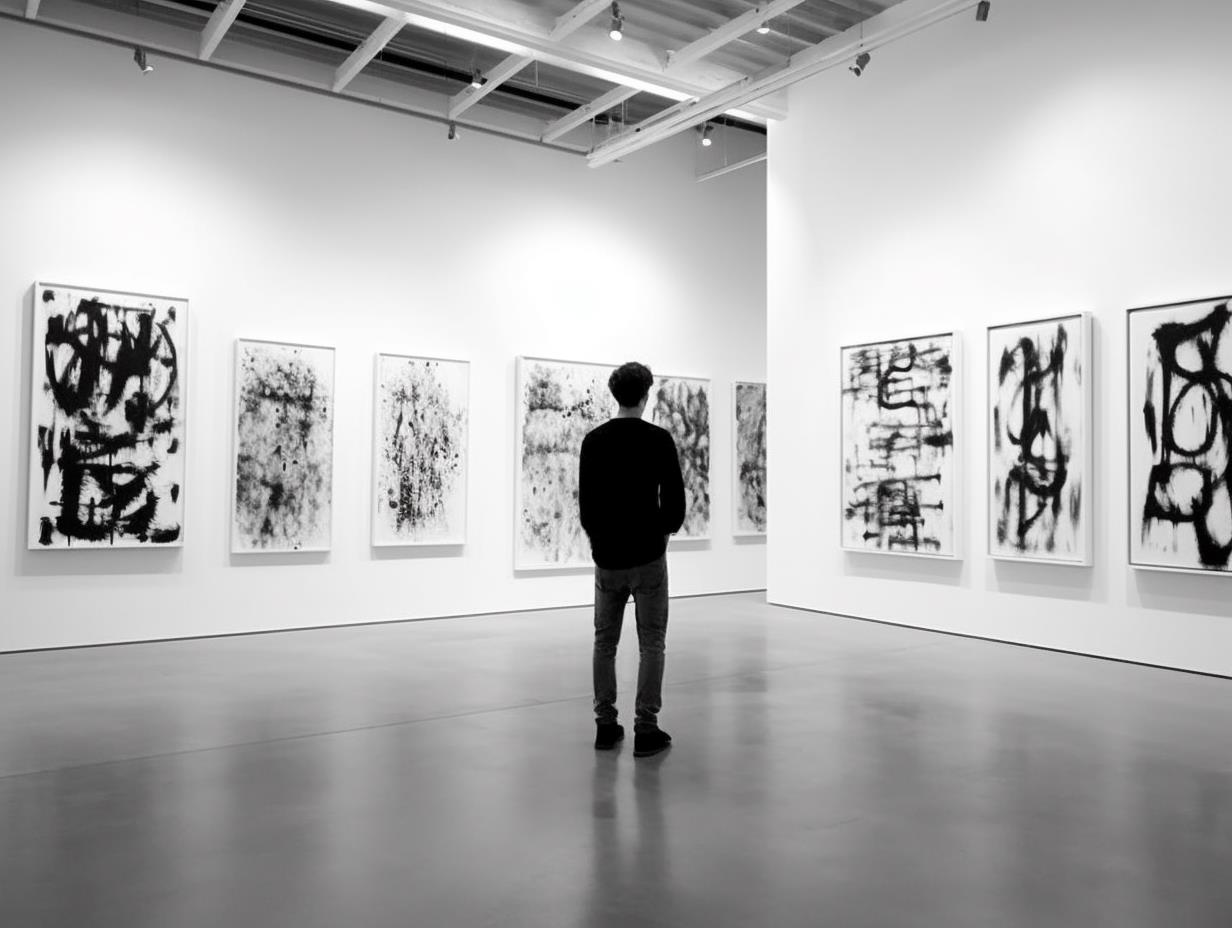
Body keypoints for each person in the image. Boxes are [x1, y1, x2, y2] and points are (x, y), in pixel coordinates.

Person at [579, 361, 685, 758]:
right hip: (648, 556)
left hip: (608, 558)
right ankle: (646, 728)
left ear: (616, 394)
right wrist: (664, 532)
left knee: (604, 643)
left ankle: (605, 725)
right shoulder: (658, 440)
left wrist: (599, 541)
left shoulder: (594, 441)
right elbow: (673, 501)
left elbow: (587, 506)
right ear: (645, 394)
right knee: (652, 643)